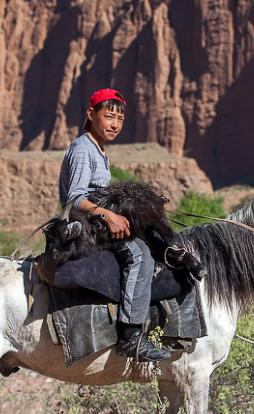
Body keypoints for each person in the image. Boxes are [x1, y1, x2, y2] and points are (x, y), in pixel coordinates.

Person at [58, 88, 170, 362]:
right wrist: (109, 216)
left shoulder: (100, 150)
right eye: (109, 116)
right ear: (91, 114)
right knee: (139, 254)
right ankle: (131, 335)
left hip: (96, 220)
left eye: (120, 119)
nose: (115, 124)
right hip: (87, 225)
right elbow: (75, 198)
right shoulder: (83, 148)